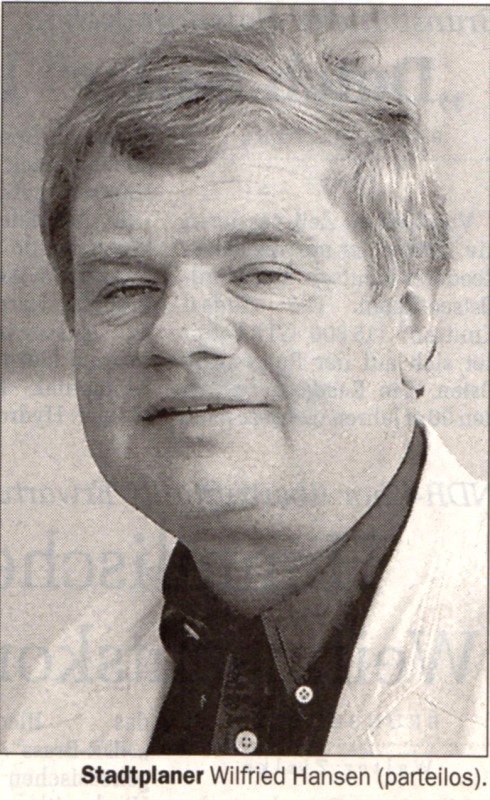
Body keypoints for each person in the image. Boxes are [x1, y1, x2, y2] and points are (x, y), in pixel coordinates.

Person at [6, 13, 486, 755]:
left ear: (409, 321)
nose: (178, 334)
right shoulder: (66, 684)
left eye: (262, 274)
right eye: (126, 287)